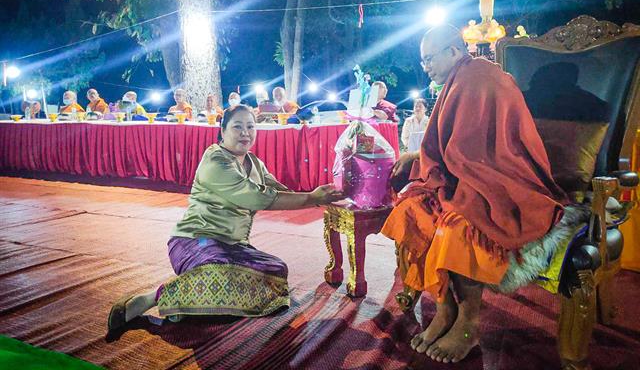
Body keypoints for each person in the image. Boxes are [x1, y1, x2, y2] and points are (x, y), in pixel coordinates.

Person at [381, 25, 567, 363]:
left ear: (453, 52)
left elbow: (476, 152)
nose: (425, 67)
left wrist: (434, 166)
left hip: (505, 180)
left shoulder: (479, 78)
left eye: (429, 59)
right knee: (410, 209)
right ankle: (445, 308)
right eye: (422, 61)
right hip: (467, 173)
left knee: (455, 225)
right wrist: (422, 162)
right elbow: (450, 147)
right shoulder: (458, 79)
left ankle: (469, 322)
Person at [107, 104, 343, 330]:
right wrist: (311, 198)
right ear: (222, 131)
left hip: (232, 247)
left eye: (250, 127)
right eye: (237, 127)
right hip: (194, 242)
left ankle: (190, 301)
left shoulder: (254, 163)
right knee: (222, 272)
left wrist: (321, 198)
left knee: (276, 270)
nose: (245, 133)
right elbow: (256, 197)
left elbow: (280, 191)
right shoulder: (216, 160)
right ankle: (153, 298)